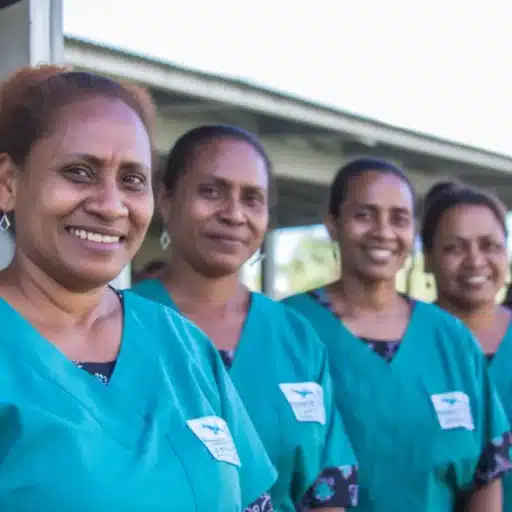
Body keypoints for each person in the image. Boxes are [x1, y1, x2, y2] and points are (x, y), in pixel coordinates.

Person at [0, 66, 277, 510]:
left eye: (132, 180)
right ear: (8, 184)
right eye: (78, 172)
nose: (111, 206)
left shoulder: (181, 344)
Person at [132, 124, 358, 512]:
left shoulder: (296, 337)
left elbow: (326, 487)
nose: (234, 214)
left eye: (252, 199)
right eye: (211, 191)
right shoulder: (117, 325)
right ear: (166, 200)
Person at [283, 156, 511, 512]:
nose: (383, 231)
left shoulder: (450, 337)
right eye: (364, 215)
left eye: (399, 219)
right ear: (332, 222)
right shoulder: (290, 326)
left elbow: (486, 474)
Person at [421, 180, 512, 511]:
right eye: (455, 248)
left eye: (490, 245)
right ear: (428, 258)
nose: (476, 261)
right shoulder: (403, 345)